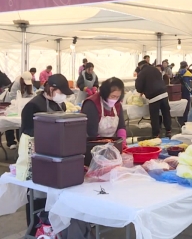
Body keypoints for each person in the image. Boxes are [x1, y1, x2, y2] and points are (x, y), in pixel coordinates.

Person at [19, 74, 73, 236]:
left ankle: (54, 230)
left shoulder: (59, 104)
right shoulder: (33, 106)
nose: (63, 95)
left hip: (56, 156)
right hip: (38, 158)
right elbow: (28, 134)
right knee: (38, 198)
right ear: (51, 88)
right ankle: (37, 229)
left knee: (55, 199)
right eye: (61, 91)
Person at [81, 77, 127, 148]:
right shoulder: (91, 104)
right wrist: (105, 147)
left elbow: (121, 126)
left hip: (111, 144)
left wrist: (122, 141)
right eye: (113, 96)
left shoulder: (117, 104)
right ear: (106, 93)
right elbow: (91, 132)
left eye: (117, 97)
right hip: (93, 146)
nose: (115, 99)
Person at [135, 60, 172, 138]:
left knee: (154, 116)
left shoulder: (141, 73)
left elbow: (139, 88)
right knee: (166, 113)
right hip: (164, 93)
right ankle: (169, 130)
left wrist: (142, 90)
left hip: (153, 97)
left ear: (140, 66)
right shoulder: (155, 69)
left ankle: (156, 133)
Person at [5, 72, 34, 149]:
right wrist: (16, 103)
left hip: (21, 105)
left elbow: (30, 94)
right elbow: (12, 96)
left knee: (20, 123)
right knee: (10, 123)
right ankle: (10, 142)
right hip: (11, 103)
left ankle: (20, 140)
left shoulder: (29, 83)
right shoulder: (16, 83)